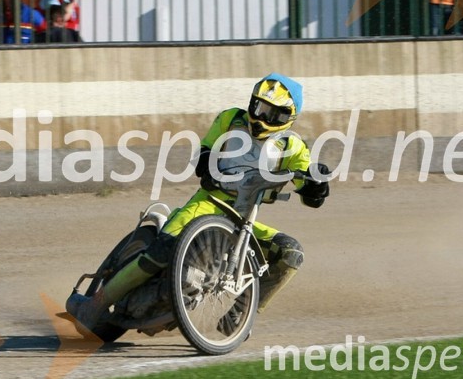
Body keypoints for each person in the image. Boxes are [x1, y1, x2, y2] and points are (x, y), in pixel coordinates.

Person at [67, 73, 331, 334]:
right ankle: (95, 304)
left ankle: (241, 314)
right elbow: (205, 151)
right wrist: (207, 160)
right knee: (160, 251)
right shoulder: (230, 119)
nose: (261, 118)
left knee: (291, 253)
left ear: (288, 119)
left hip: (244, 220)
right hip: (206, 204)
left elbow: (308, 191)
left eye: (272, 114)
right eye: (259, 108)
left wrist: (316, 185)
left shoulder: (294, 146)